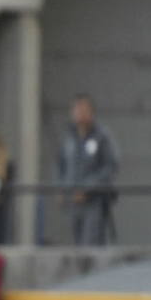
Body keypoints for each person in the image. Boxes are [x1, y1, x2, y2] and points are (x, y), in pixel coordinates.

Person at [56, 94, 119, 246]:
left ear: (91, 112)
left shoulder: (102, 137)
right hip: (73, 201)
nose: (79, 114)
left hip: (94, 201)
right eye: (76, 110)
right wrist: (60, 188)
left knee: (91, 244)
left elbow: (110, 166)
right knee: (77, 244)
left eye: (83, 110)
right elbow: (60, 165)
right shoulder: (68, 137)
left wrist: (87, 189)